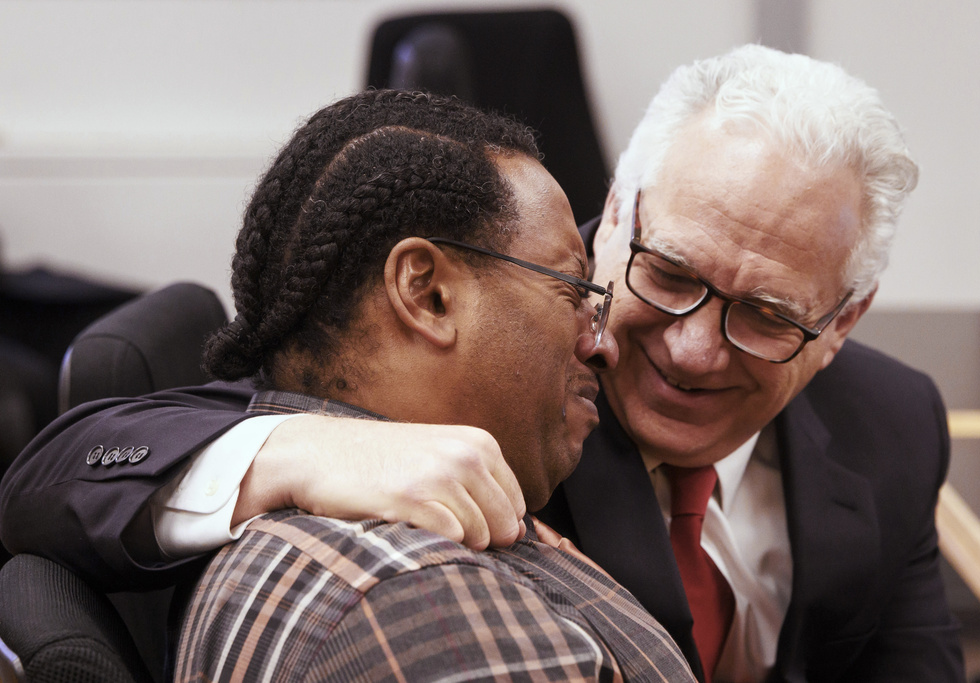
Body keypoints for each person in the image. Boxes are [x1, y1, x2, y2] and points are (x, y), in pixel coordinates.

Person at [1, 45, 965, 682]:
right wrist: (290, 446)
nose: (690, 345)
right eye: (668, 274)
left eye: (765, 315)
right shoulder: (496, 360)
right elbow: (59, 469)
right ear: (619, 212)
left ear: (844, 320)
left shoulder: (898, 423)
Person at [164, 88, 696, 681]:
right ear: (429, 294)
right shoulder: (421, 603)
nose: (604, 344)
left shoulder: (393, 539)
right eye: (573, 292)